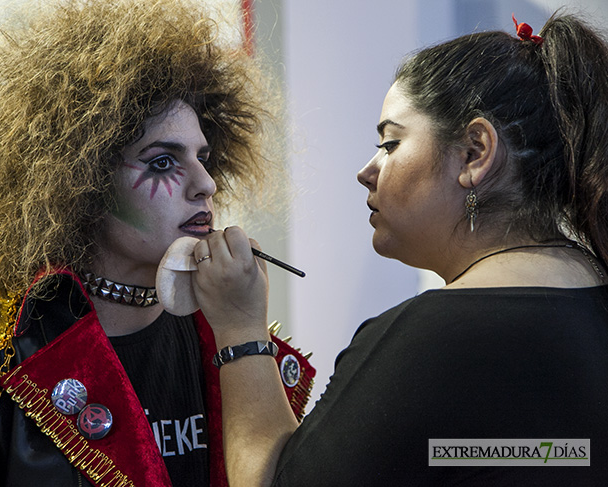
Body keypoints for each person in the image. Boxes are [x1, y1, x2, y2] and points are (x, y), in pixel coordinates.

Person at [0, 0, 315, 486]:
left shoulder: (232, 338)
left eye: (203, 157)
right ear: (76, 182)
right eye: (164, 162)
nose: (206, 184)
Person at [190, 12, 608, 486]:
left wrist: (240, 328)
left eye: (390, 143)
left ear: (475, 153)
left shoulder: (431, 339)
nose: (366, 171)